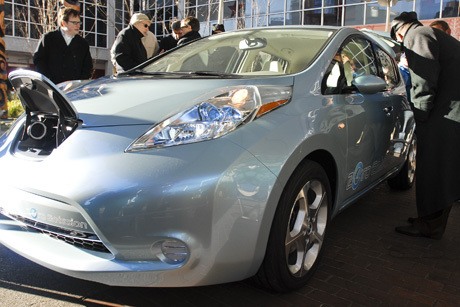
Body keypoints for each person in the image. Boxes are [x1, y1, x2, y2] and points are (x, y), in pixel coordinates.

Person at [390, 11, 460, 239]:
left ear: (400, 32)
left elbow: (423, 78)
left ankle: (429, 225)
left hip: (446, 114)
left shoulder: (418, 35)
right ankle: (432, 220)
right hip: (451, 111)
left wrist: (420, 113)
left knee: (432, 167)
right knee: (443, 168)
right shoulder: (431, 34)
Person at [33, 7, 93, 84]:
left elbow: (87, 67)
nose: (78, 26)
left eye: (79, 22)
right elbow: (39, 60)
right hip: (52, 88)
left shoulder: (83, 44)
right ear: (63, 23)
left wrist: (78, 84)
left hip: (73, 91)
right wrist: (47, 81)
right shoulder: (48, 38)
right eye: (74, 23)